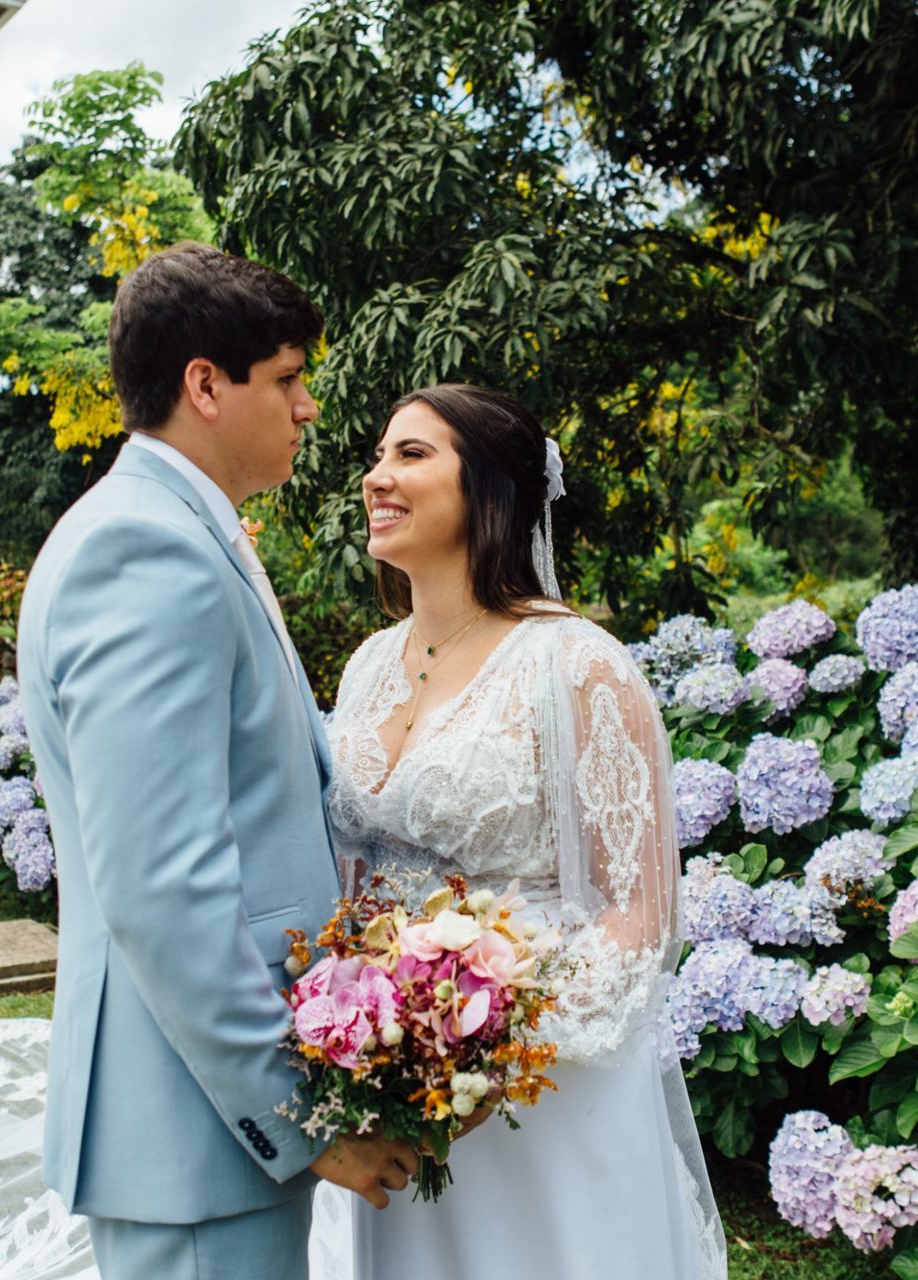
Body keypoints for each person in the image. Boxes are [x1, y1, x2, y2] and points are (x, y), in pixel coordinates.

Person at [17, 242, 421, 1280]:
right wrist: (301, 1109)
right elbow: (161, 883)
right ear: (206, 383)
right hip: (192, 1135)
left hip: (194, 1130)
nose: (309, 407)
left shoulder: (173, 529)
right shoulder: (146, 551)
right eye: (287, 378)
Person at [307, 384, 728, 1279]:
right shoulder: (369, 665)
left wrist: (492, 1050)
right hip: (394, 1084)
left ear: (489, 487)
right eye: (379, 456)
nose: (378, 478)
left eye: (412, 455)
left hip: (542, 1089)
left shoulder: (577, 665)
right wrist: (368, 1035)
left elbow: (640, 909)